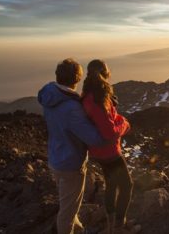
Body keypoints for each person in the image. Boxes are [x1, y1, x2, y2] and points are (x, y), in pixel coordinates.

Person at [38, 58, 115, 234]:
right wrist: (112, 131)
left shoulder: (50, 96)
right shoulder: (71, 107)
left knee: (69, 203)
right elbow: (95, 138)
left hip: (56, 158)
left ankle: (79, 230)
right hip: (71, 164)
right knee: (67, 212)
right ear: (77, 78)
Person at [81, 59, 133, 234]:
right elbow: (109, 132)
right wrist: (124, 124)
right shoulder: (98, 98)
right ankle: (119, 226)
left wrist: (114, 112)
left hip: (97, 151)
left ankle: (111, 225)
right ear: (105, 74)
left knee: (111, 184)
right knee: (126, 185)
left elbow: (103, 122)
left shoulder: (87, 95)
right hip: (109, 151)